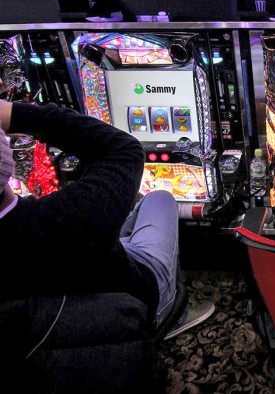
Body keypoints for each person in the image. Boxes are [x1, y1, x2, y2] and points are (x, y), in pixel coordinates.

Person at [0, 98, 180, 357]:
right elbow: (125, 149)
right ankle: (173, 306)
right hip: (135, 299)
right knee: (160, 199)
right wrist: (16, 113)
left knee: (116, 228)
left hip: (59, 316)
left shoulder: (66, 217)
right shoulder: (71, 216)